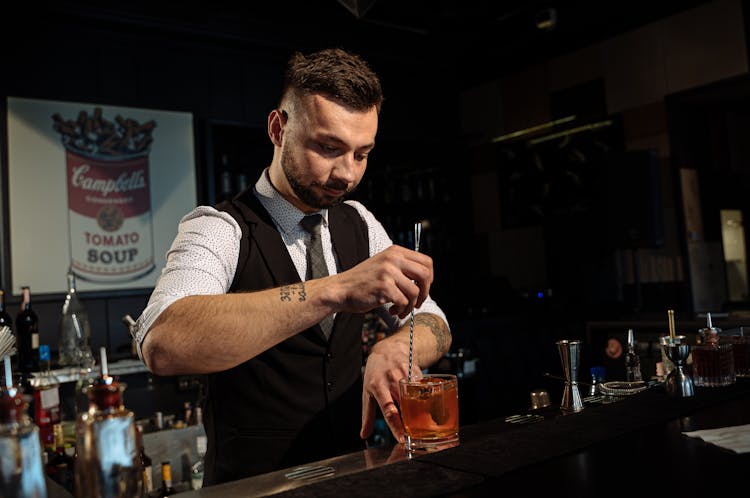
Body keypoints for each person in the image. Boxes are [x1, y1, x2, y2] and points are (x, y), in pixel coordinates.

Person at [134, 47, 451, 485]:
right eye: (328, 147)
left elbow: (433, 319)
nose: (347, 173)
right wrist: (335, 289)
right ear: (278, 128)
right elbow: (162, 342)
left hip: (348, 480)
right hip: (250, 491)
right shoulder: (217, 228)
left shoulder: (358, 222)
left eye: (362, 153)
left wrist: (392, 349)